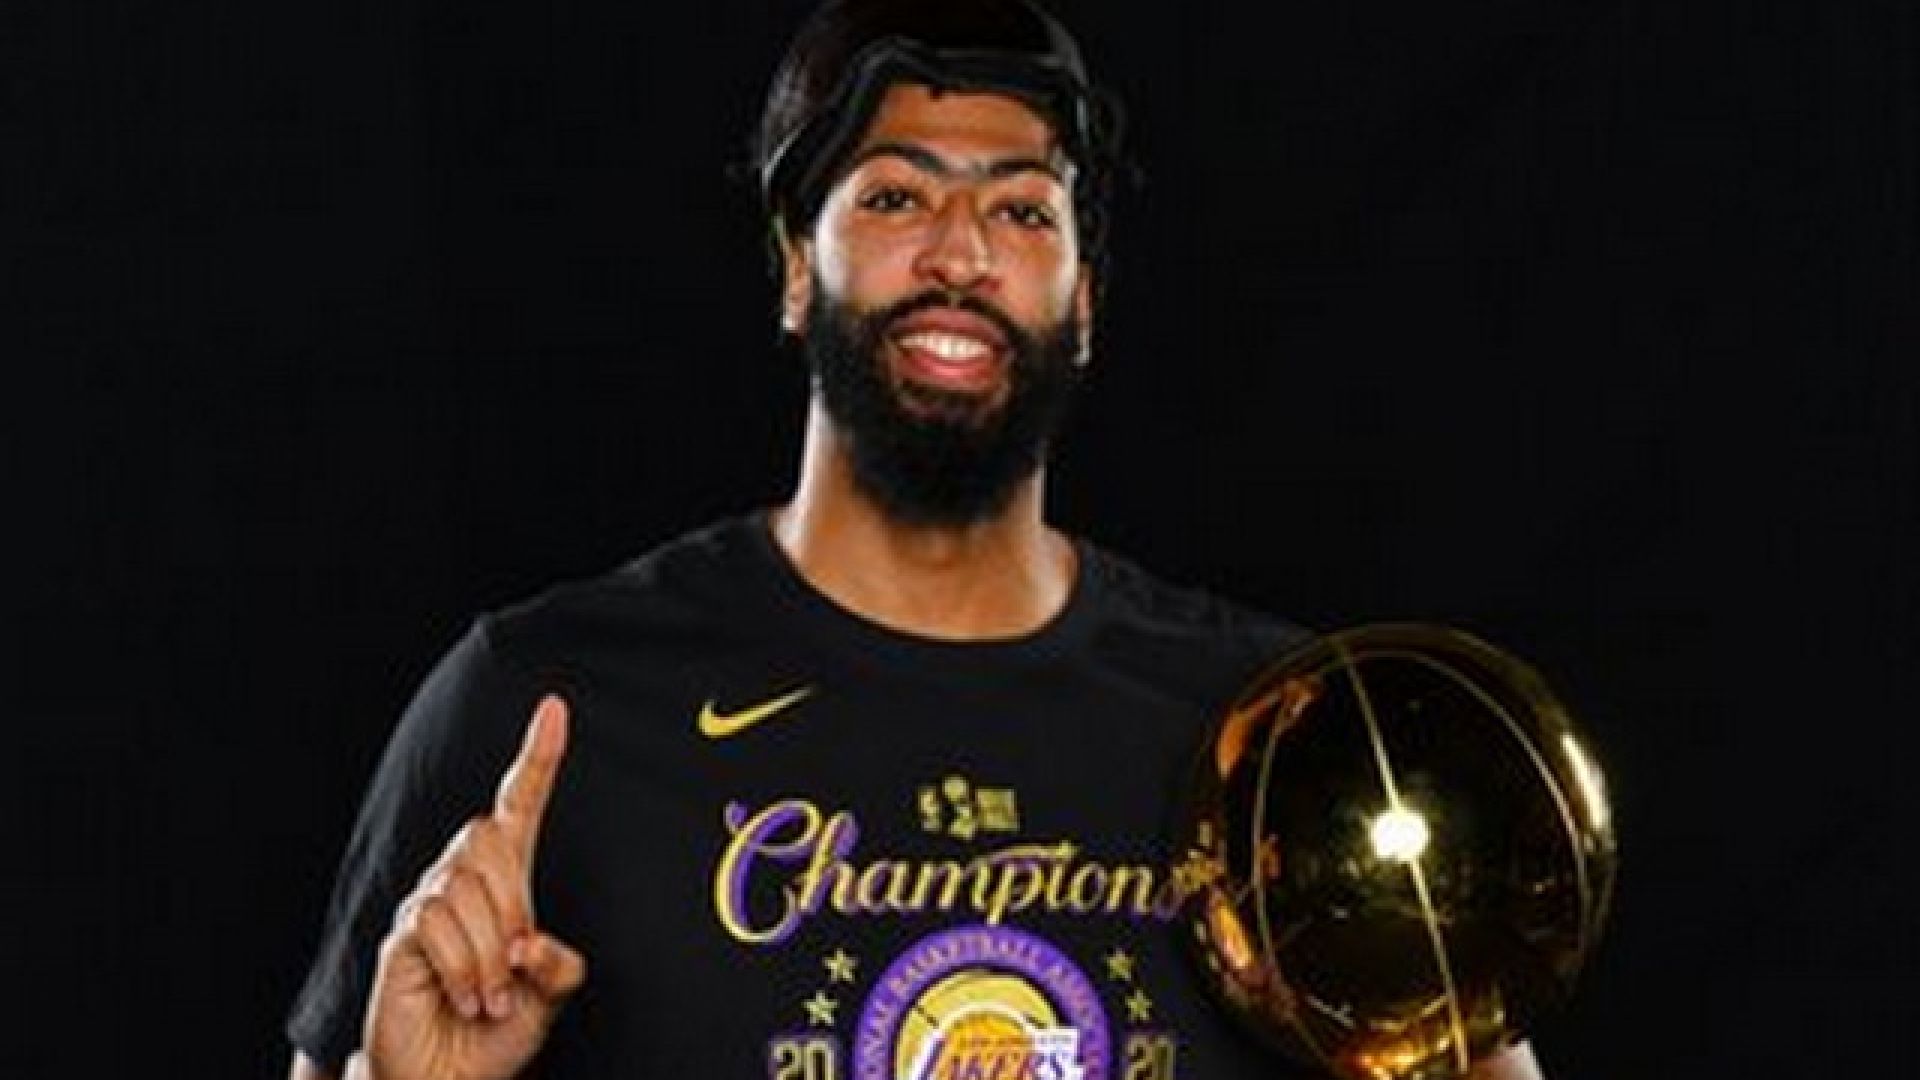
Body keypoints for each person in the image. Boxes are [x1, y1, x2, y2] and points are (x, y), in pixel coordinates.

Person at [287, 2, 1545, 1077]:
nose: (960, 253)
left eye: (1025, 211)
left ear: (1086, 302)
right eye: (896, 196)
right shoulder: (543, 708)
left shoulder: (1287, 738)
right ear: (797, 266)